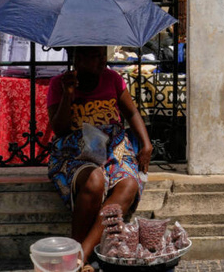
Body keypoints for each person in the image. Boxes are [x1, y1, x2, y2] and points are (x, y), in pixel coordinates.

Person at [47, 46, 154, 268]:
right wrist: (68, 95)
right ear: (78, 59)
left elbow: (131, 112)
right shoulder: (59, 84)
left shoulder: (112, 79)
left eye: (102, 56)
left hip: (112, 148)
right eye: (95, 57)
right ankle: (79, 250)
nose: (101, 62)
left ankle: (80, 256)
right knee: (94, 180)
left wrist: (146, 144)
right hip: (75, 149)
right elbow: (59, 129)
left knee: (128, 184)